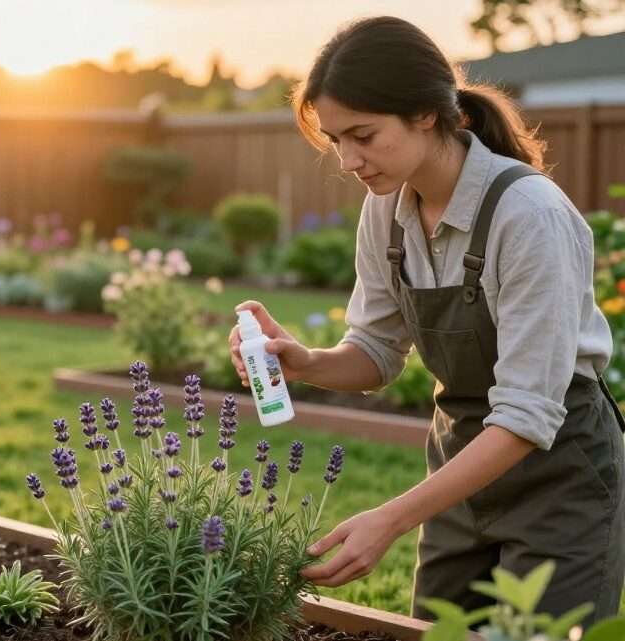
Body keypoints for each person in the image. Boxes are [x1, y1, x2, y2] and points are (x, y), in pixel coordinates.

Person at [229, 16, 625, 625]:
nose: (349, 160)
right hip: (461, 470)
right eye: (337, 140)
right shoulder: (385, 209)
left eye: (363, 134)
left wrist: (390, 518)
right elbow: (377, 354)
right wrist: (303, 360)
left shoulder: (528, 215)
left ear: (426, 114)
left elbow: (527, 415)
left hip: (561, 479)